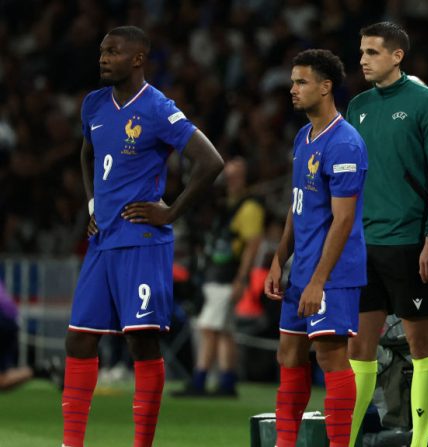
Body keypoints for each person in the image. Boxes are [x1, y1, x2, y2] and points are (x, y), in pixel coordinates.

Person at [62, 26, 223, 447]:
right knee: (78, 339)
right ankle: (71, 442)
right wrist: (93, 204)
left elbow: (210, 162)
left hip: (141, 242)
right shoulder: (94, 104)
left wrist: (170, 211)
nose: (103, 57)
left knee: (141, 342)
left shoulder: (157, 108)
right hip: (103, 241)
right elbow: (87, 152)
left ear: (137, 59)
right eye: (101, 51)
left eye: (112, 52)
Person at [346, 22, 428, 447]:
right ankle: (347, 438)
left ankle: (421, 440)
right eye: (361, 52)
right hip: (364, 245)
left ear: (397, 56)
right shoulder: (357, 106)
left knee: (420, 344)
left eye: (372, 52)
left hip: (409, 242)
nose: (363, 60)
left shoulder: (427, 103)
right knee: (360, 349)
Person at [263, 48, 367, 447]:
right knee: (288, 355)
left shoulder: (345, 143)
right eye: (293, 81)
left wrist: (318, 281)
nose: (292, 89)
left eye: (301, 81)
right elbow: (298, 204)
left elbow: (343, 220)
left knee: (329, 357)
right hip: (301, 267)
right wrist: (278, 259)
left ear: (325, 87)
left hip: (334, 272)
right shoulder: (303, 136)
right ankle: (285, 442)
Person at [173, 157, 265, 397]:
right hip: (218, 273)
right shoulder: (226, 204)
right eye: (229, 175)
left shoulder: (249, 207)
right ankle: (227, 381)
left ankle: (200, 378)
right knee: (223, 330)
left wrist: (241, 279)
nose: (230, 180)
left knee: (208, 327)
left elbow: (252, 245)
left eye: (236, 175)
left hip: (227, 275)